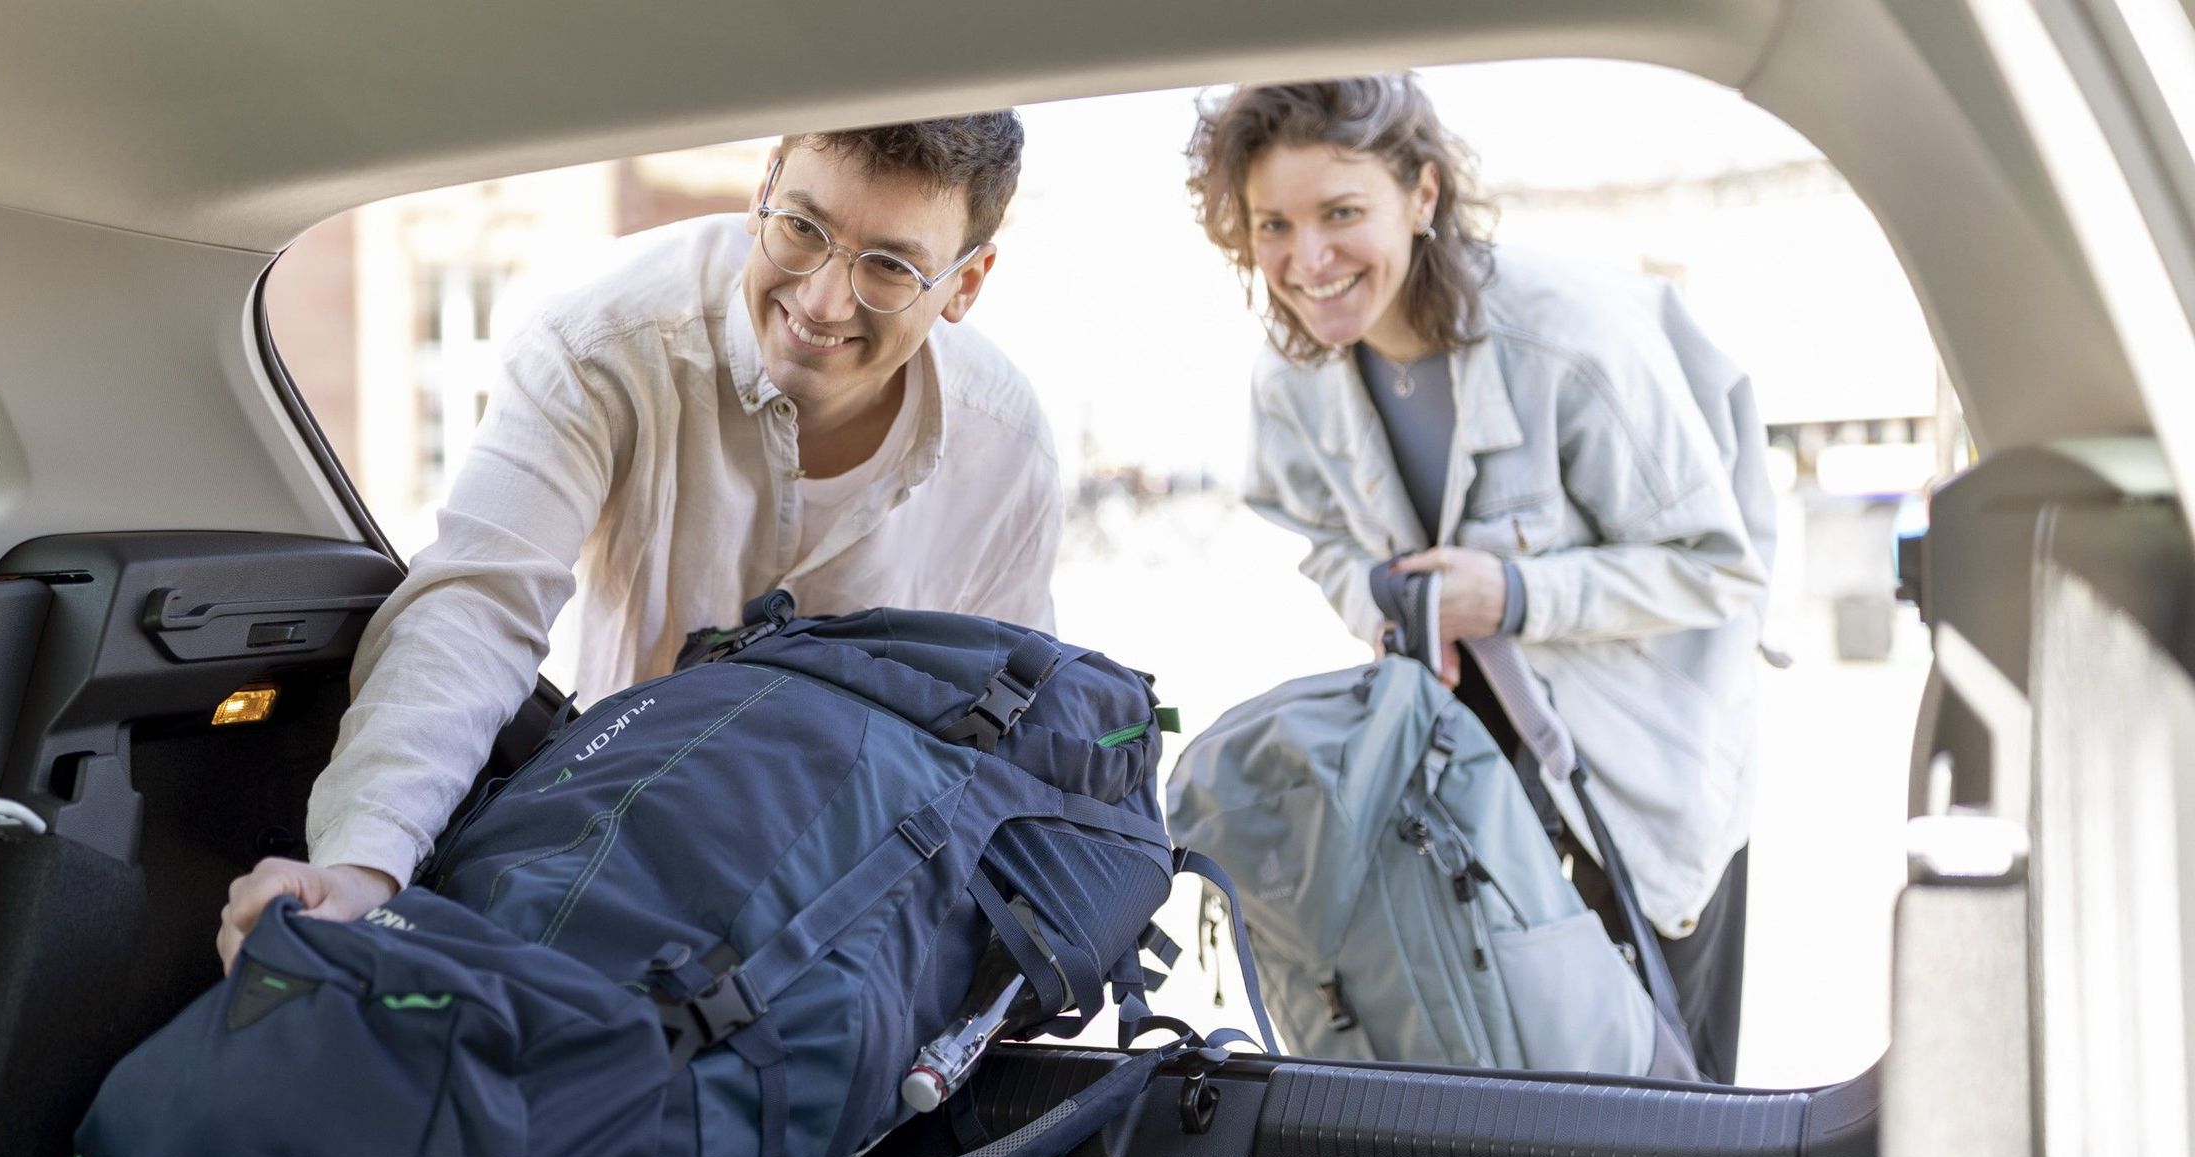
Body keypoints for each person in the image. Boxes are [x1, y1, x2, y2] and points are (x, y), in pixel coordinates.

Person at [217, 114, 1062, 967]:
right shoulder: (600, 341)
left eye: (888, 267)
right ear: (764, 186)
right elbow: (480, 606)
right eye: (804, 229)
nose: (821, 301)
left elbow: (1013, 738)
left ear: (966, 281)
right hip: (613, 854)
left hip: (848, 915)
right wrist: (366, 864)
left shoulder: (1008, 445)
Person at [1186, 76, 1775, 1081]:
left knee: (1680, 1101)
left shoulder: (1575, 338)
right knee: (1504, 1065)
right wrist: (1382, 599)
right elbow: (1321, 540)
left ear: (1421, 193)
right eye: (1271, 224)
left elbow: (1719, 566)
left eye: (1340, 212)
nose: (1307, 261)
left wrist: (1511, 596)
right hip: (1463, 776)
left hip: (1636, 768)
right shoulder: (1288, 381)